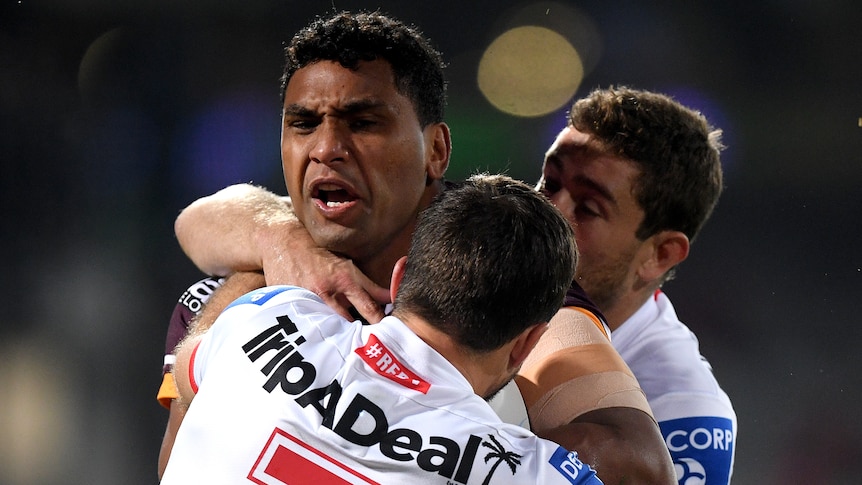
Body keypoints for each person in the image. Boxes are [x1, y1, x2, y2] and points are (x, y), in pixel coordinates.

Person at [159, 10, 674, 484]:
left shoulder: (506, 285)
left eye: (364, 123)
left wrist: (438, 452)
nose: (325, 148)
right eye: (303, 123)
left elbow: (638, 465)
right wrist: (275, 240)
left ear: (437, 150)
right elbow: (196, 223)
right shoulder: (247, 284)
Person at [160, 174, 603, 485]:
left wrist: (255, 272)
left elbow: (188, 370)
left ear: (400, 277)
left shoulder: (265, 318)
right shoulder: (533, 471)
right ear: (527, 342)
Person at [536, 86, 737, 483]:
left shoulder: (680, 410)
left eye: (588, 207)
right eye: (550, 182)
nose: (548, 211)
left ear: (659, 254)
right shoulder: (484, 287)